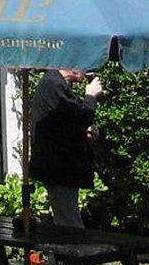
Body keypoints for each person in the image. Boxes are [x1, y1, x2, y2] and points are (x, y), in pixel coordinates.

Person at [28, 67, 102, 229]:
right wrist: (90, 97)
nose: (87, 71)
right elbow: (78, 120)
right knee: (70, 225)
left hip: (58, 168)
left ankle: (61, 255)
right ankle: (74, 254)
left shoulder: (54, 84)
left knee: (65, 220)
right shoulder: (54, 85)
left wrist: (86, 131)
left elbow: (66, 124)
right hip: (59, 168)